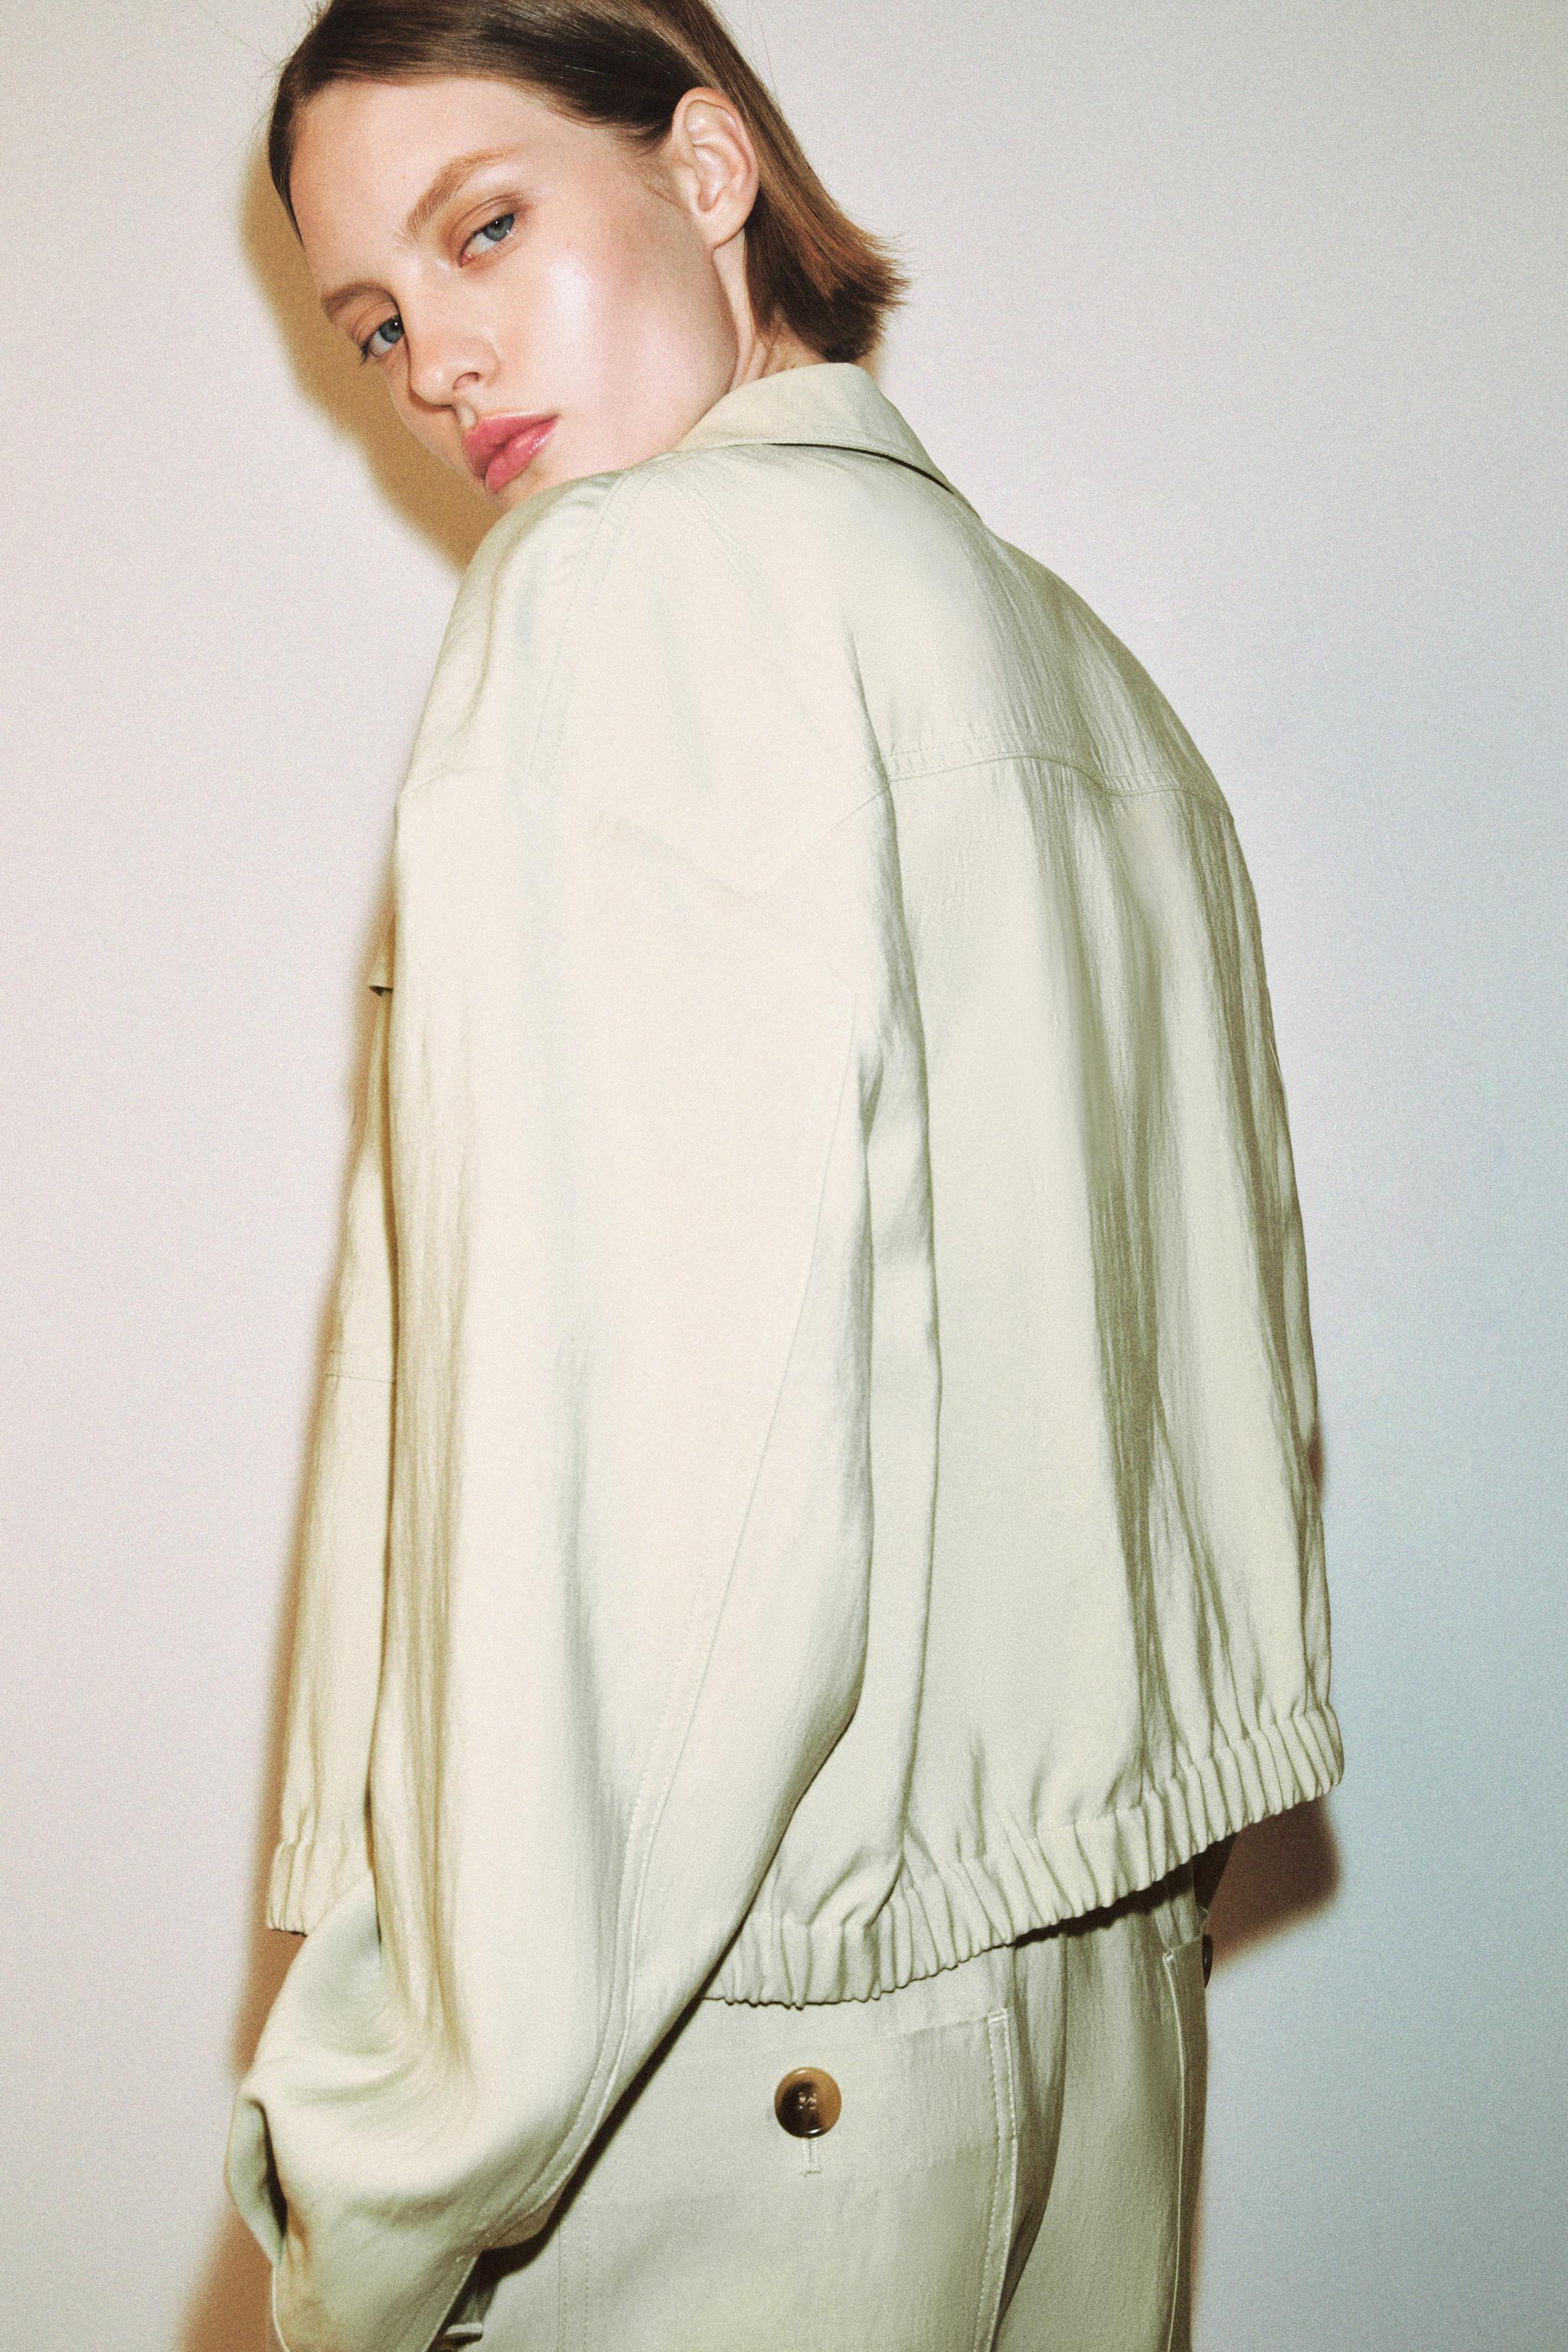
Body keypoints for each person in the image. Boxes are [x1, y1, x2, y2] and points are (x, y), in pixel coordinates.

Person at [224, 5, 1343, 2350]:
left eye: (484, 227)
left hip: (728, 2087)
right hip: (1091, 2040)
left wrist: (389, 2177)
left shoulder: (631, 593)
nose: (437, 362)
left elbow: (654, 1508)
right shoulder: (1093, 692)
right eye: (378, 320)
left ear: (710, 165)